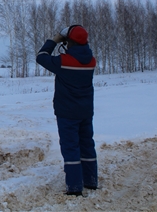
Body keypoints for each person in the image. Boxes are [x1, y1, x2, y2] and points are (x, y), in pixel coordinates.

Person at [36, 24, 98, 196]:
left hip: (67, 113)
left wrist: (54, 40)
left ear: (69, 41)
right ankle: (91, 180)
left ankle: (75, 186)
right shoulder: (91, 61)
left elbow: (41, 57)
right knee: (87, 144)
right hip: (85, 111)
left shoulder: (64, 62)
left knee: (71, 147)